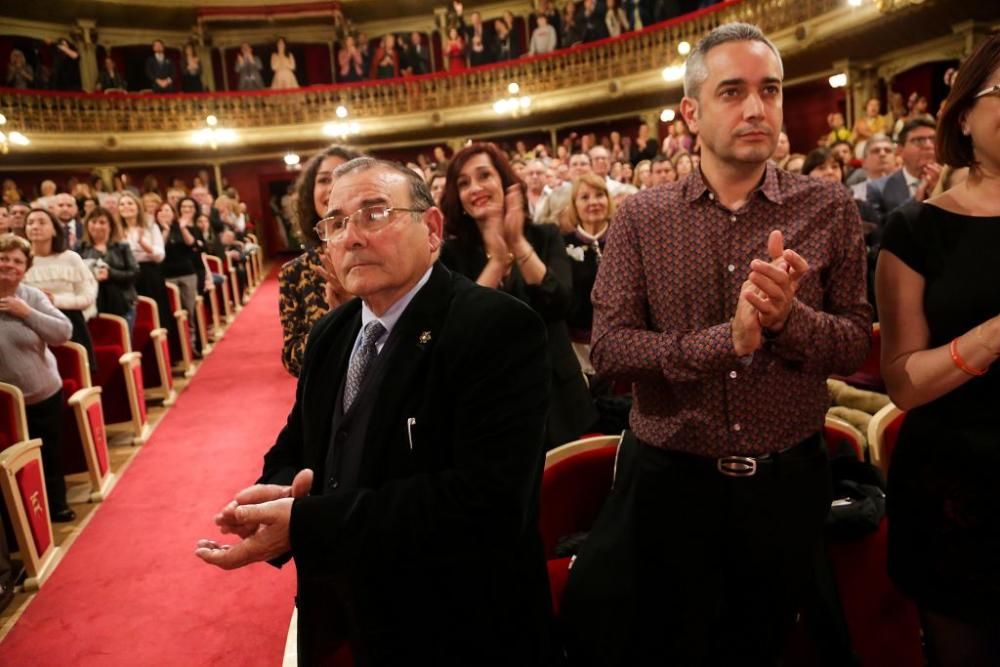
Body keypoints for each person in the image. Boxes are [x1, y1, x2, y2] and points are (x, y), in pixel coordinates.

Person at [565, 23, 871, 664]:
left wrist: (790, 321)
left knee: (762, 646)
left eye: (771, 90)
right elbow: (612, 352)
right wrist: (722, 343)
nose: (757, 108)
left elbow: (851, 345)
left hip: (787, 483)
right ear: (691, 112)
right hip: (671, 484)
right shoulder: (642, 218)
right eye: (732, 91)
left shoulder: (829, 206)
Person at [195, 159, 553, 665]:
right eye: (336, 223)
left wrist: (306, 522)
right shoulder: (332, 332)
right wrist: (273, 498)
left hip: (458, 626)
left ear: (431, 229)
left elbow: (486, 505)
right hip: (344, 616)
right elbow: (297, 445)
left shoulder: (496, 327)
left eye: (375, 213)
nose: (352, 237)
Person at [876, 34, 1000, 666]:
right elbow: (901, 382)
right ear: (964, 114)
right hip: (960, 495)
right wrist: (990, 336)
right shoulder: (917, 229)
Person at [439, 142, 598, 448]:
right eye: (463, 183)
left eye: (484, 176)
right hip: (490, 399)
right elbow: (458, 326)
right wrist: (497, 263)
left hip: (556, 398)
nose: (475, 188)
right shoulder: (453, 255)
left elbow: (560, 303)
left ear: (505, 183)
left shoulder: (545, 236)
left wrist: (516, 242)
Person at [0, 233, 75, 522]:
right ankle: (22, 523)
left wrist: (27, 313)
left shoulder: (32, 296)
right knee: (12, 466)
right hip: (5, 405)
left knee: (50, 455)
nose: (8, 265)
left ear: (26, 268)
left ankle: (56, 506)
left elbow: (63, 332)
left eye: (16, 261)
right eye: (3, 258)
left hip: (42, 393)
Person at [278, 145, 361, 377]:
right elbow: (293, 359)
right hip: (324, 395)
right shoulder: (294, 273)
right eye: (324, 180)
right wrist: (334, 319)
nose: (332, 187)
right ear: (310, 193)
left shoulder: (378, 258)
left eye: (343, 175)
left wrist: (355, 306)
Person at [22, 207, 98, 372]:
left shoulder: (70, 258)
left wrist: (55, 300)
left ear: (55, 230)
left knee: (77, 374)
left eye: (42, 222)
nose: (35, 226)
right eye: (30, 223)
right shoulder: (20, 260)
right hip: (32, 326)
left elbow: (87, 296)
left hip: (71, 321)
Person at [561, 172, 613, 357]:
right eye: (584, 197)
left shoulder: (625, 238)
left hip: (620, 342)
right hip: (577, 346)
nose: (593, 202)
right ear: (575, 205)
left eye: (599, 195)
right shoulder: (562, 244)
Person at [867, 118, 940, 222]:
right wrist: (915, 201)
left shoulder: (955, 181)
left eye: (933, 139)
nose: (929, 145)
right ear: (900, 150)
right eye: (919, 140)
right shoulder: (879, 188)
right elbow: (879, 230)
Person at [77, 207, 139, 331]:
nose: (97, 226)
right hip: (92, 306)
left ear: (110, 226)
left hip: (123, 303)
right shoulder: (80, 249)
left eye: (102, 222)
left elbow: (135, 273)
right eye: (93, 222)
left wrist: (110, 274)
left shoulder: (122, 247)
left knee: (124, 344)